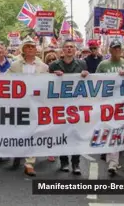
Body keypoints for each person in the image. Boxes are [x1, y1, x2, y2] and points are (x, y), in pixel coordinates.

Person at [1, 37, 49, 176]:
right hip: (20, 103)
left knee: (33, 131)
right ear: (23, 50)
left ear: (36, 50)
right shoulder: (15, 65)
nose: (30, 49)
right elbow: (5, 79)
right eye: (27, 47)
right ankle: (18, 154)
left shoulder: (44, 67)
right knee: (19, 130)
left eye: (32, 47)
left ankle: (29, 163)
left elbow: (48, 84)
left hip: (35, 103)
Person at [48, 39, 89, 175]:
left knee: (76, 135)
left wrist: (86, 76)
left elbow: (91, 82)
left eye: (72, 47)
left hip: (77, 106)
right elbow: (45, 83)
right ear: (62, 50)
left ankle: (76, 163)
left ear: (75, 49)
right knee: (62, 134)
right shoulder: (54, 65)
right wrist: (53, 76)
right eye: (67, 47)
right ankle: (64, 161)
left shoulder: (82, 64)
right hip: (59, 106)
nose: (69, 49)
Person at [96, 40, 124, 175]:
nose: (117, 50)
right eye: (114, 48)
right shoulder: (103, 65)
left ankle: (113, 161)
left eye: (119, 48)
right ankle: (111, 158)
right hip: (107, 103)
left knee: (117, 130)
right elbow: (95, 82)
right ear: (110, 50)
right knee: (110, 130)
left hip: (123, 103)